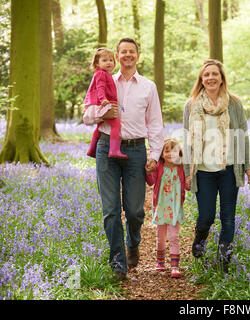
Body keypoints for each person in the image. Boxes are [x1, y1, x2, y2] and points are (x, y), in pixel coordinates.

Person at [83, 38, 164, 281]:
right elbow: (87, 114)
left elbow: (156, 123)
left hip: (137, 150)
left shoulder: (148, 86)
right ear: (117, 56)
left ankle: (133, 241)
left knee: (135, 210)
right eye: (123, 52)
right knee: (110, 210)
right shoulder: (103, 79)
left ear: (138, 56)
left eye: (132, 51)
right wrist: (101, 113)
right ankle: (118, 263)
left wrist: (155, 155)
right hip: (106, 148)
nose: (127, 55)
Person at [183, 59, 250, 273]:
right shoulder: (191, 105)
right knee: (206, 216)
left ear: (222, 78)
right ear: (201, 79)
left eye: (215, 74)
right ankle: (199, 240)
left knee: (228, 216)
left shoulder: (234, 103)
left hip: (229, 170)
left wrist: (248, 166)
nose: (211, 78)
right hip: (203, 171)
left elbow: (243, 136)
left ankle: (224, 263)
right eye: (206, 75)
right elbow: (188, 141)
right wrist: (188, 172)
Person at [145, 138, 190, 278]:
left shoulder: (181, 169)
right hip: (161, 207)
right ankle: (160, 262)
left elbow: (187, 187)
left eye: (174, 151)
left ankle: (175, 266)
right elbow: (151, 182)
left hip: (175, 208)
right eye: (167, 151)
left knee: (174, 236)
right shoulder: (159, 167)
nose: (171, 154)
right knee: (160, 237)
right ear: (162, 154)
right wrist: (148, 171)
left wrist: (190, 179)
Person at [84, 47, 127, 159]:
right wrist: (103, 99)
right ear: (97, 63)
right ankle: (114, 150)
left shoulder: (105, 74)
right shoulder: (101, 74)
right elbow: (100, 88)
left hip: (104, 102)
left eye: (111, 60)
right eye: (104, 60)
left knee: (100, 126)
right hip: (102, 103)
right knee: (116, 125)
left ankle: (92, 150)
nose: (108, 63)